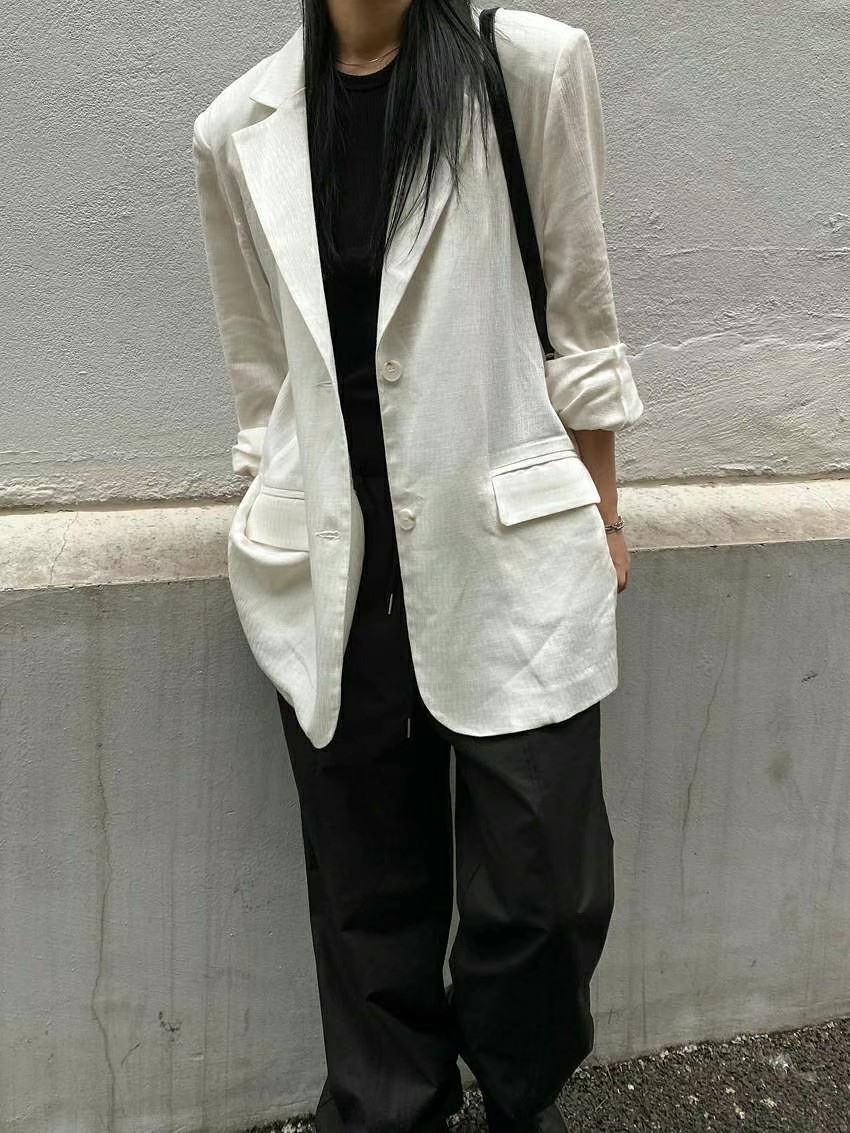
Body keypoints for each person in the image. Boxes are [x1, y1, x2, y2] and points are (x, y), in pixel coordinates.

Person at [192, 1, 644, 1130]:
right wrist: (265, 505)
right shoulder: (238, 127)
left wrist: (604, 512)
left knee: (544, 891)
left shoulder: (523, 68)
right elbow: (261, 369)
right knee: (366, 903)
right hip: (334, 571)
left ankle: (521, 1095)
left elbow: (581, 319)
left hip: (511, 550)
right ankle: (388, 1108)